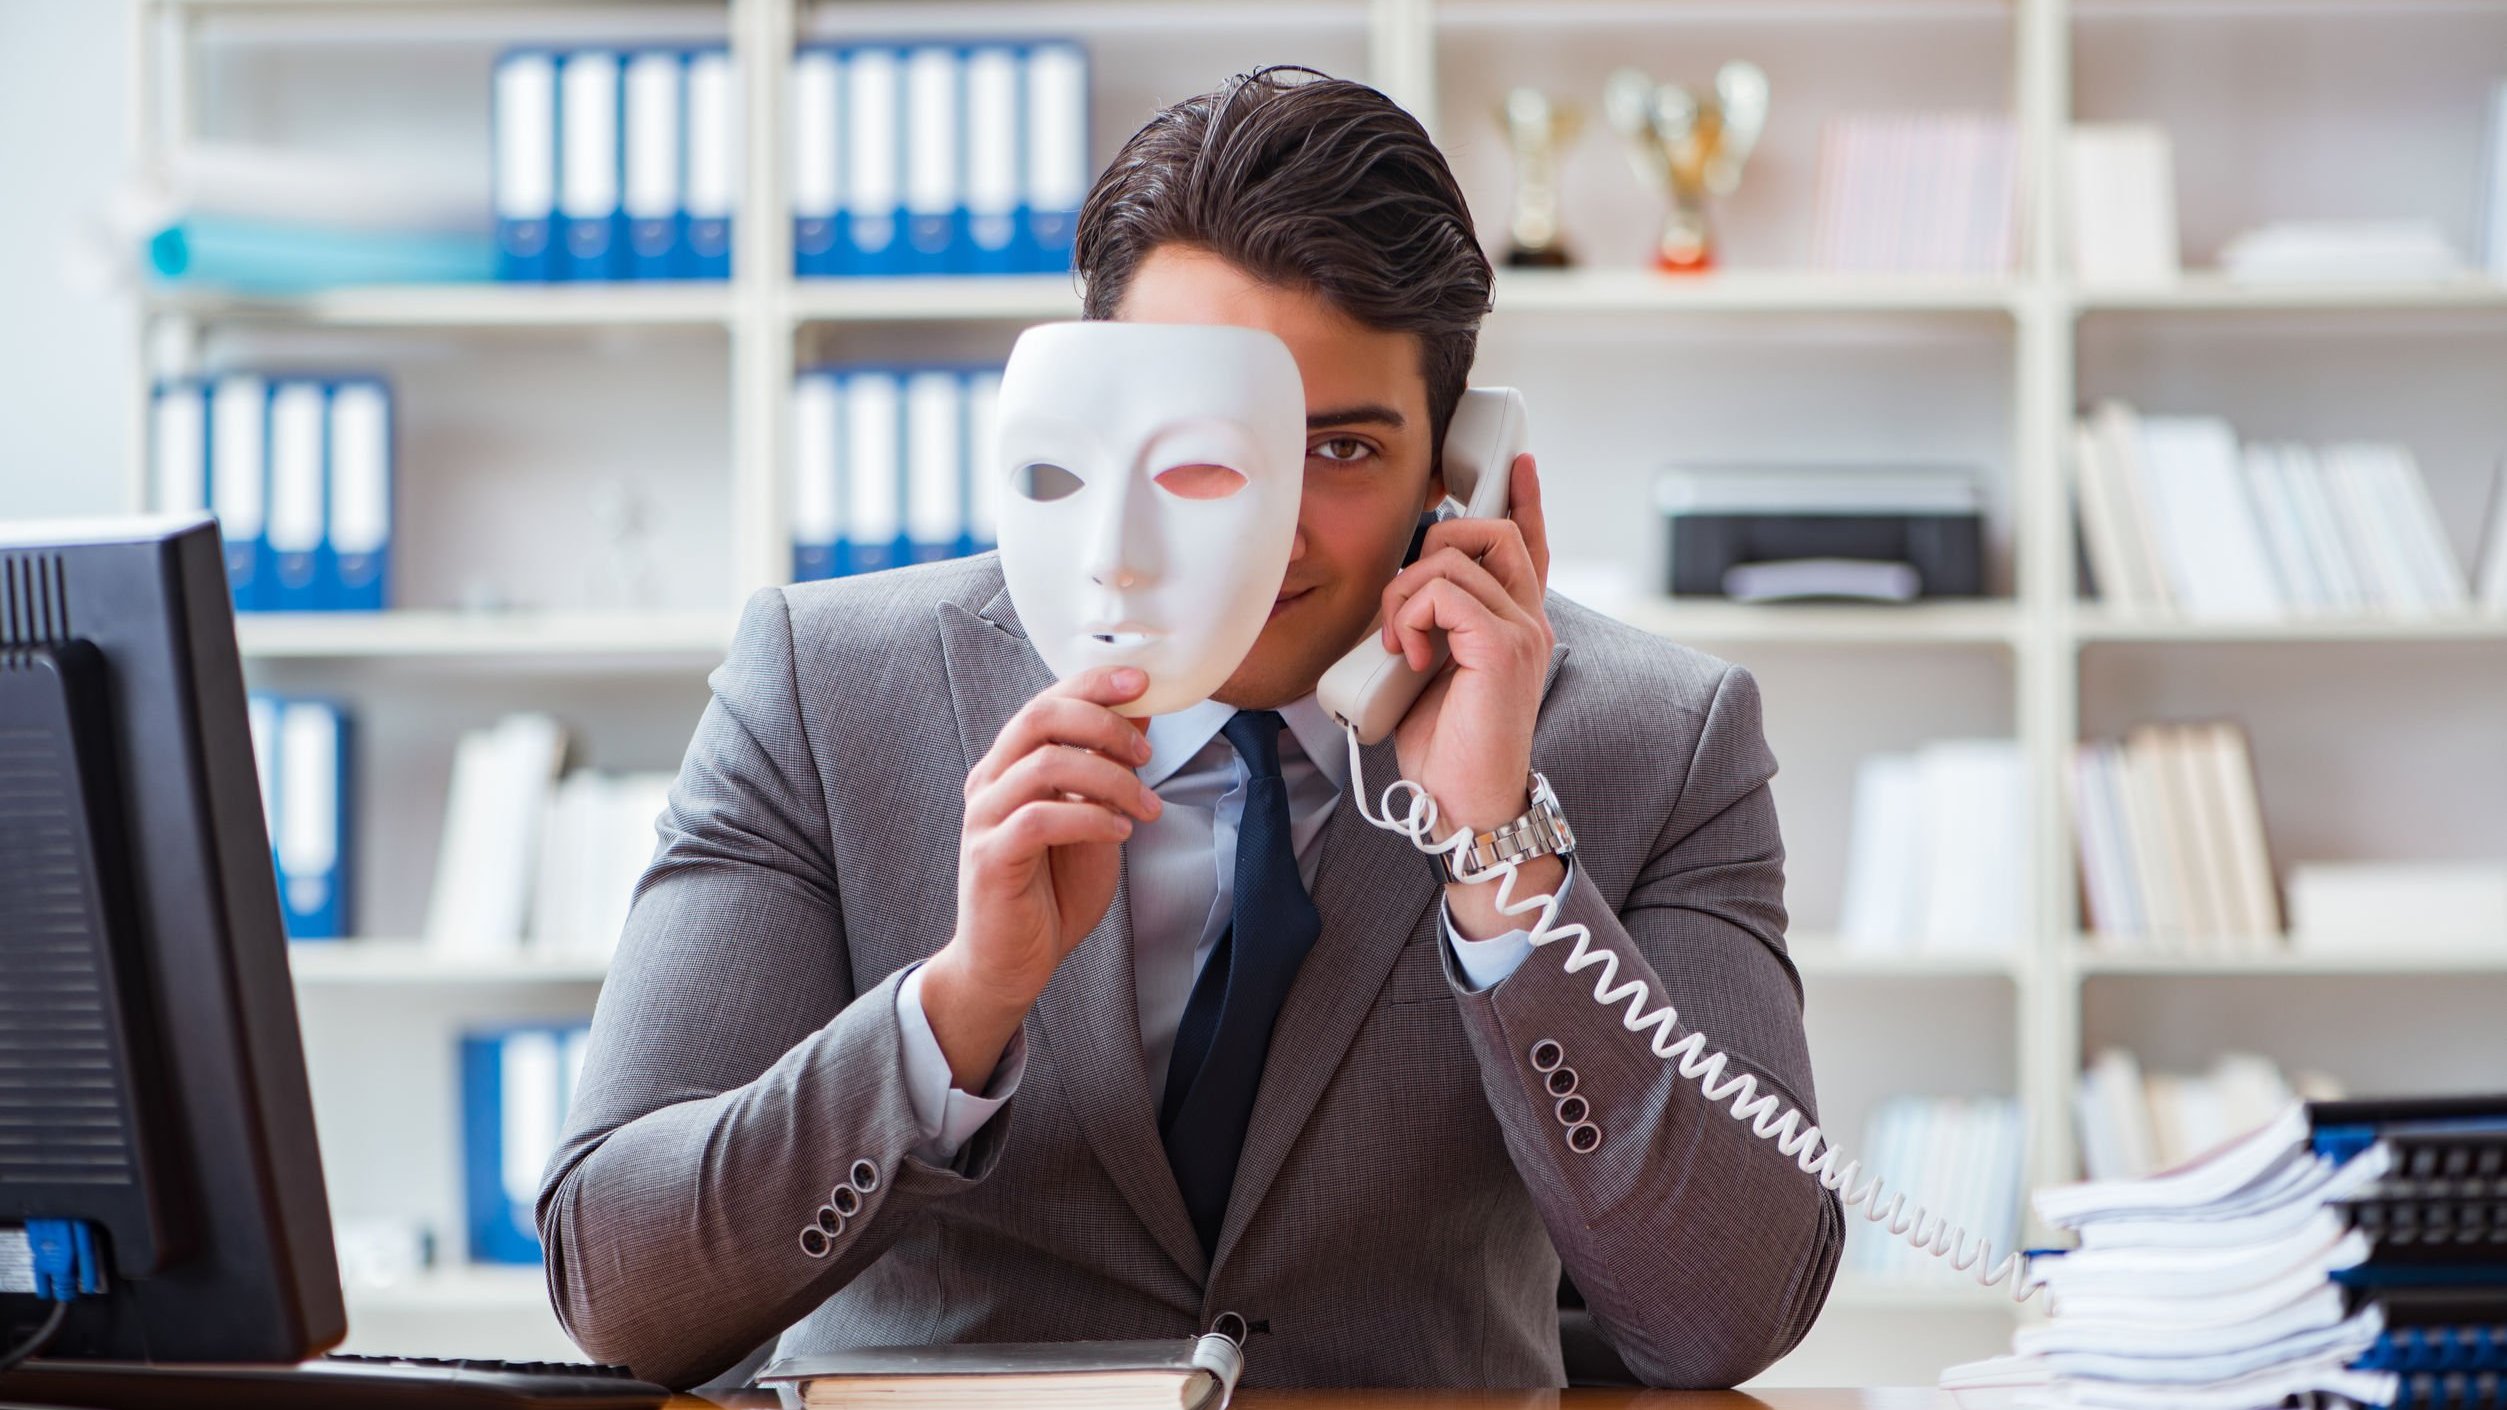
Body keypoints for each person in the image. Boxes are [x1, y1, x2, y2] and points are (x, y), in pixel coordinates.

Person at [537, 64, 1842, 1392]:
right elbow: (621, 1292)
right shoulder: (824, 690)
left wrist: (1504, 862)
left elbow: (1727, 1315)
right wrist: (957, 1009)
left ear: (1459, 470)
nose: (1261, 527)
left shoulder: (1661, 739)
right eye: (1205, 446)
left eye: (1335, 449)